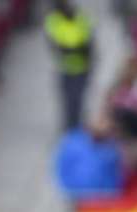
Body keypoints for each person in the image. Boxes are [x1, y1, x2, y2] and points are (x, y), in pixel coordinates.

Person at [45, 0, 94, 130]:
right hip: (65, 67)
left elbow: (88, 42)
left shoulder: (81, 18)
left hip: (82, 67)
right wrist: (72, 48)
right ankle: (69, 128)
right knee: (68, 100)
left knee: (77, 99)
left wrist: (72, 49)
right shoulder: (53, 20)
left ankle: (75, 127)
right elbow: (54, 44)